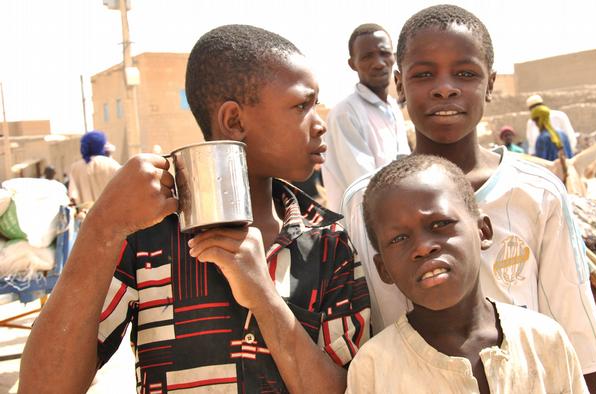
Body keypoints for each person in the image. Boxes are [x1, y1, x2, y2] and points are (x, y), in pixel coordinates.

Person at [20, 24, 370, 393]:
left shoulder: (330, 240)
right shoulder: (147, 237)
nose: (319, 124)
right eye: (302, 105)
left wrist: (266, 302)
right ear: (234, 120)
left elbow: (346, 388)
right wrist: (102, 227)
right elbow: (43, 387)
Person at [339, 5, 596, 392]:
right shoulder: (364, 202)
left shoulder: (537, 192)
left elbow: (581, 345)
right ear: (400, 86)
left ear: (490, 83)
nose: (445, 87)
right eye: (424, 74)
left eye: (465, 73)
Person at [346, 154, 586, 393]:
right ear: (383, 269)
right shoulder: (374, 368)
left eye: (440, 224)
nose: (423, 247)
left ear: (483, 232)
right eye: (399, 238)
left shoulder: (543, 341)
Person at [321, 23, 411, 211]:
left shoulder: (393, 108)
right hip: (360, 229)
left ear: (394, 57)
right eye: (367, 56)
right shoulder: (345, 113)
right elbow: (366, 186)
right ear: (353, 64)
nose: (378, 63)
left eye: (384, 53)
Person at [67, 130, 121, 209]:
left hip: (87, 218)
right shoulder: (112, 165)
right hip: (111, 214)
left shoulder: (75, 168)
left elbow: (73, 196)